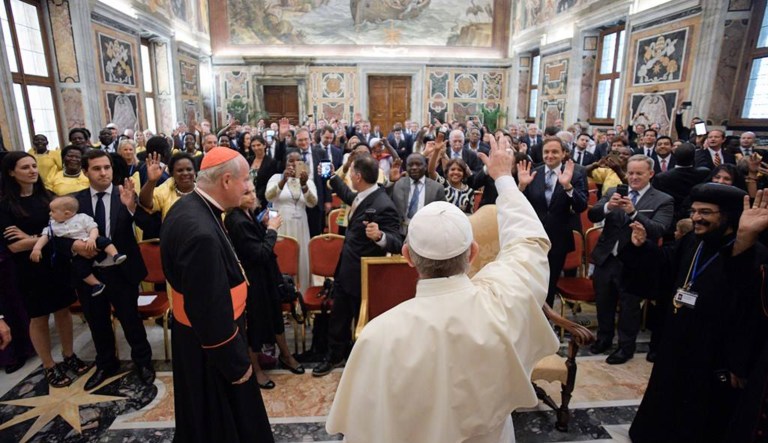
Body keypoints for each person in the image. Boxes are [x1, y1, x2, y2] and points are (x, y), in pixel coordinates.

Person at [326, 134, 559, 442]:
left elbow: (364, 429)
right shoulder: (503, 300)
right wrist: (504, 179)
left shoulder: (377, 335)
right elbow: (529, 243)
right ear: (473, 253)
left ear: (407, 256)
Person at [627, 184, 767, 443]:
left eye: (706, 212)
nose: (696, 218)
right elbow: (666, 270)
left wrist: (740, 361)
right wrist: (643, 248)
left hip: (714, 352)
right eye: (693, 211)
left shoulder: (752, 254)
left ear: (728, 216)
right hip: (676, 339)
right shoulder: (693, 240)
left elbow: (751, 314)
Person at [160, 147, 274, 443]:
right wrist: (237, 364)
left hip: (197, 339)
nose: (250, 187)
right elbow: (209, 311)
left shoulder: (190, 207)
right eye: (246, 179)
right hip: (213, 350)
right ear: (226, 180)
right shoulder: (201, 233)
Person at [0, 152, 89, 387]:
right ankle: (49, 365)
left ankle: (69, 355)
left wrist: (36, 236)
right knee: (38, 317)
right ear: (11, 172)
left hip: (55, 263)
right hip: (29, 268)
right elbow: (16, 245)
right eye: (24, 167)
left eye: (33, 166)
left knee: (63, 311)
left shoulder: (48, 197)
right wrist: (46, 236)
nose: (32, 171)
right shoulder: (6, 206)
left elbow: (69, 230)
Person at [313, 154, 403, 376]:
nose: (349, 176)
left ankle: (362, 362)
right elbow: (347, 195)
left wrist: (380, 235)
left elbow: (398, 241)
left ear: (359, 176)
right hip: (346, 268)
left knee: (360, 320)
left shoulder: (384, 204)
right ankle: (335, 355)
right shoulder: (364, 195)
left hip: (364, 274)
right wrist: (333, 175)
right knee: (339, 316)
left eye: (351, 172)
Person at [71, 149, 154, 390]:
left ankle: (143, 362)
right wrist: (76, 246)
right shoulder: (76, 201)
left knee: (131, 320)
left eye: (106, 167)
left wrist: (131, 208)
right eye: (96, 168)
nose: (103, 173)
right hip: (90, 273)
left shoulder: (124, 194)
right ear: (86, 172)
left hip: (122, 271)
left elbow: (149, 225)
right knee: (98, 322)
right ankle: (106, 363)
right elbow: (60, 233)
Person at [588, 154, 674, 364]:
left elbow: (659, 230)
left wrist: (634, 213)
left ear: (650, 174)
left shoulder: (663, 199)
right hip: (607, 257)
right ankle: (604, 338)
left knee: (629, 307)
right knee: (604, 302)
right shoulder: (612, 191)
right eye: (631, 173)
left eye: (639, 173)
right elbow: (594, 215)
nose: (633, 177)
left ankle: (625, 347)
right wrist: (609, 207)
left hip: (636, 262)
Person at [225, 181, 304, 389]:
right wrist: (271, 230)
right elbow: (259, 253)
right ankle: (256, 369)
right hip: (252, 279)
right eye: (246, 194)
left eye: (252, 192)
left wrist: (263, 225)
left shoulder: (249, 213)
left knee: (276, 316)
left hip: (267, 275)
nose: (252, 197)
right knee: (255, 324)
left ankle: (286, 355)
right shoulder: (236, 220)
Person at [517, 137, 588, 307]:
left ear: (564, 153)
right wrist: (521, 187)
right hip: (532, 238)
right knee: (530, 283)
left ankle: (545, 324)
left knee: (549, 284)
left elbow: (581, 206)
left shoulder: (575, 175)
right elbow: (519, 206)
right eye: (546, 152)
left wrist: (567, 186)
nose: (550, 155)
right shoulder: (533, 173)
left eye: (555, 152)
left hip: (558, 240)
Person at [30, 195, 126, 296]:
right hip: (78, 254)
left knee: (103, 241)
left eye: (53, 211)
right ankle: (96, 284)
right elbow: (46, 236)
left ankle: (115, 255)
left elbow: (93, 228)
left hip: (90, 240)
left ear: (67, 213)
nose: (50, 214)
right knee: (79, 268)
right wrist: (37, 248)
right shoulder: (53, 225)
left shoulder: (82, 218)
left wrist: (92, 238)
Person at [265, 149, 317, 291]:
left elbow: (312, 203)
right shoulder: (276, 177)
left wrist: (304, 185)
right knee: (284, 257)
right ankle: (283, 293)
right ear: (285, 163)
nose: (294, 164)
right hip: (281, 222)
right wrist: (283, 181)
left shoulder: (308, 180)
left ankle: (303, 294)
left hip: (301, 224)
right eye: (291, 161)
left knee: (301, 258)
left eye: (297, 161)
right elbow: (269, 197)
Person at [389, 153, 446, 235]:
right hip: (400, 233)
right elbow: (385, 201)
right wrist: (391, 182)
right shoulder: (398, 183)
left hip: (426, 233)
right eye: (410, 165)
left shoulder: (437, 188)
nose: (414, 167)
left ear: (425, 166)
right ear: (406, 167)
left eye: (418, 164)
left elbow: (441, 214)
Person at [139, 152, 197, 221]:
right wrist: (151, 181)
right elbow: (145, 202)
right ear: (172, 173)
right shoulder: (166, 190)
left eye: (189, 169)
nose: (185, 173)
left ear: (195, 171)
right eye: (180, 170)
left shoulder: (203, 191)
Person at [425, 141, 475, 214]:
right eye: (452, 169)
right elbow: (431, 171)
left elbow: (470, 214)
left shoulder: (469, 191)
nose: (456, 172)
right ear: (447, 172)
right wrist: (436, 151)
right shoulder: (442, 184)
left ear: (464, 174)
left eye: (459, 170)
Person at [246, 135, 278, 210]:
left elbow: (269, 182)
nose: (256, 148)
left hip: (263, 199)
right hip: (249, 197)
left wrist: (257, 198)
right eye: (253, 146)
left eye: (258, 145)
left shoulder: (271, 162)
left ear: (264, 145)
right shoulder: (249, 160)